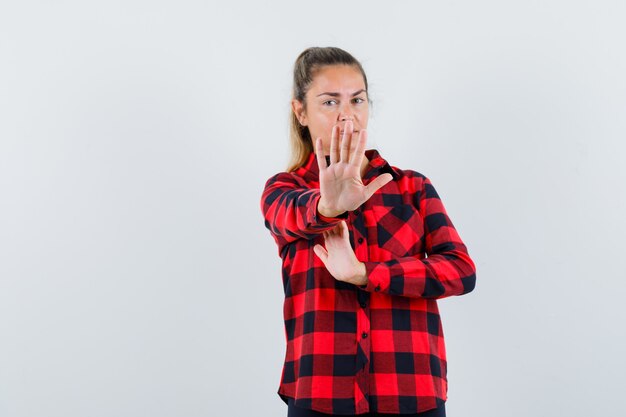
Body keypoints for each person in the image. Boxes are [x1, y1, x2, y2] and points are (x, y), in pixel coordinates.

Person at [260, 47, 476, 417]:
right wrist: (330, 207)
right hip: (321, 397)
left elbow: (461, 271)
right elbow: (293, 216)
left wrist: (366, 274)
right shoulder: (284, 190)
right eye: (329, 102)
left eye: (356, 99)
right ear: (301, 112)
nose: (347, 115)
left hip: (411, 393)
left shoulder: (412, 188)